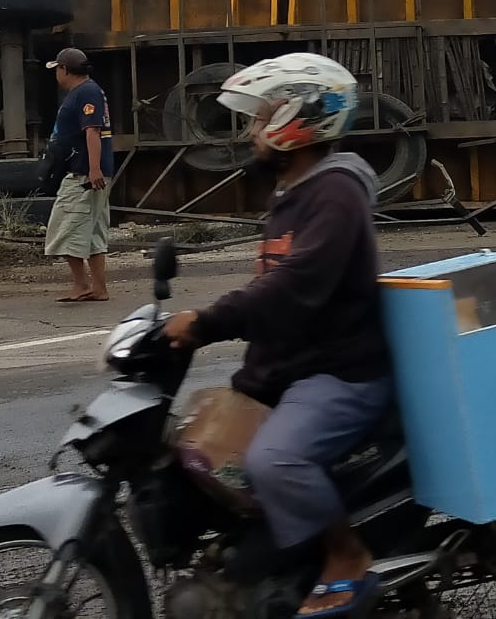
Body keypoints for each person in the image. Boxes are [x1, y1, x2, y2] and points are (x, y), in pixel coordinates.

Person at [163, 53, 393, 619]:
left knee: (273, 460)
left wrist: (208, 321)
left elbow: (293, 288)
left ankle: (346, 556)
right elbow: (281, 298)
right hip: (300, 367)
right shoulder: (295, 191)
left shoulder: (336, 193)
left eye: (261, 116)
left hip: (342, 372)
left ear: (301, 118)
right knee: (198, 448)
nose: (251, 130)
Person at [44, 47, 114, 303]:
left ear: (64, 69)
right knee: (94, 231)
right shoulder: (88, 91)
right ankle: (98, 287)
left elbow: (92, 131)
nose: (56, 75)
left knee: (64, 226)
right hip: (89, 171)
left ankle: (81, 284)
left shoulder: (86, 92)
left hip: (84, 173)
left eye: (57, 70)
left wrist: (93, 169)